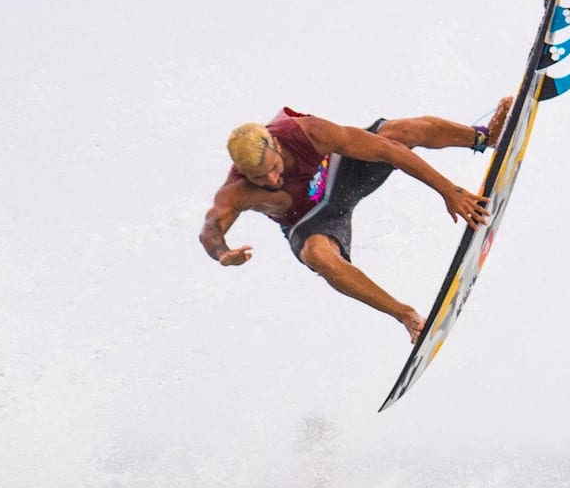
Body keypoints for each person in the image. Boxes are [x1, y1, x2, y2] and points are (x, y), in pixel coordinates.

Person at [199, 98, 512, 343]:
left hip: (342, 176)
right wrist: (223, 254)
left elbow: (388, 150)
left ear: (276, 146)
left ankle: (484, 138)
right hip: (310, 220)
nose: (271, 178)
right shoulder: (236, 190)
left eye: (273, 167)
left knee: (397, 133)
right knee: (317, 255)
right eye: (259, 177)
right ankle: (405, 315)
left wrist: (448, 190)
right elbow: (211, 229)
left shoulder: (309, 132)